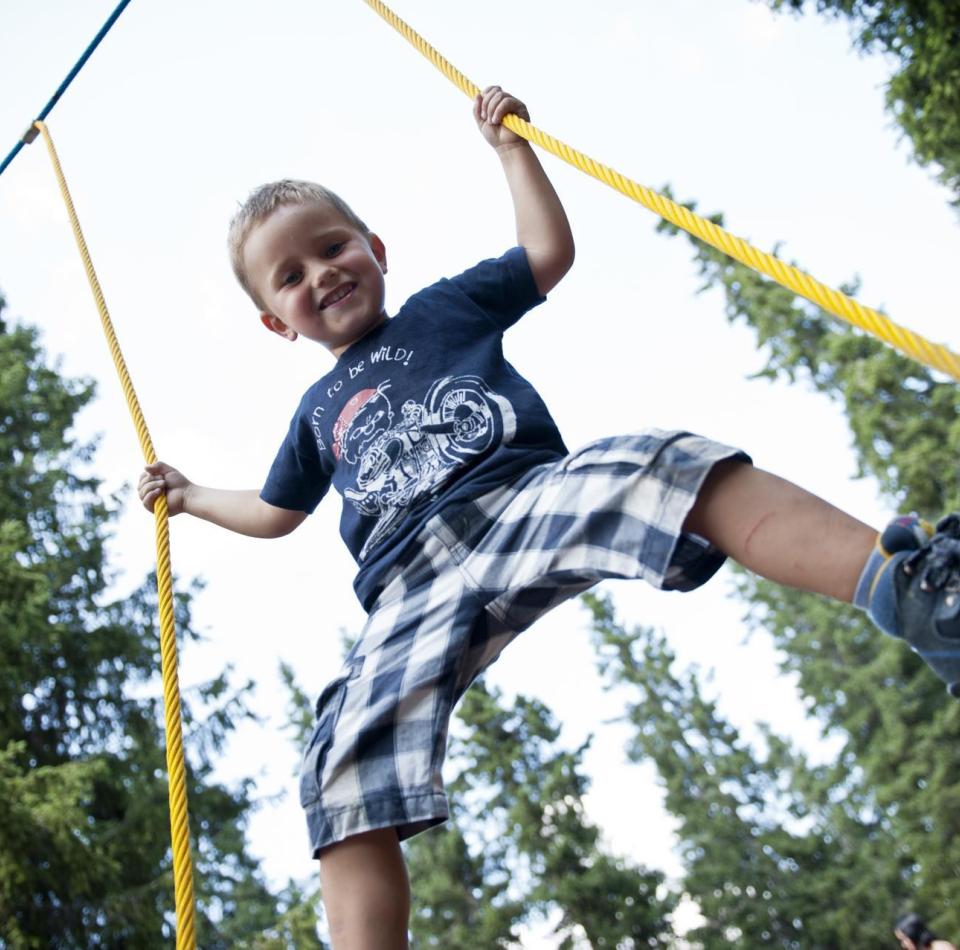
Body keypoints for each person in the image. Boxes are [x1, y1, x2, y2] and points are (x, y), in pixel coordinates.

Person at [139, 86, 960, 949]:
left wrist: (509, 150)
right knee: (343, 755)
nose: (323, 274)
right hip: (407, 586)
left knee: (659, 465)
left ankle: (911, 591)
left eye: (333, 247)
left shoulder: (443, 308)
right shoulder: (314, 412)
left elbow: (545, 251)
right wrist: (190, 497)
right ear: (276, 322)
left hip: (518, 502)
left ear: (377, 249)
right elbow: (275, 512)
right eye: (293, 277)